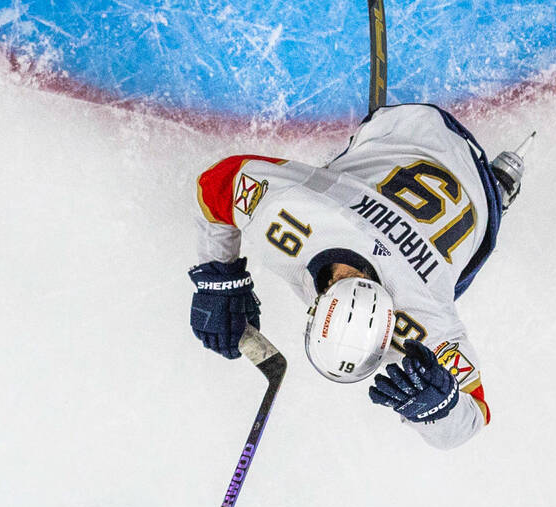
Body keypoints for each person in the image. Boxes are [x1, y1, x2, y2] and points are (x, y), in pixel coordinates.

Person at [188, 101, 529, 449]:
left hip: (455, 173)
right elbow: (220, 181)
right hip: (409, 126)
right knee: (334, 178)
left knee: (449, 280)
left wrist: (220, 277)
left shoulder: (425, 320)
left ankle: (498, 185)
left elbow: (471, 415)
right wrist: (218, 278)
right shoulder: (294, 217)